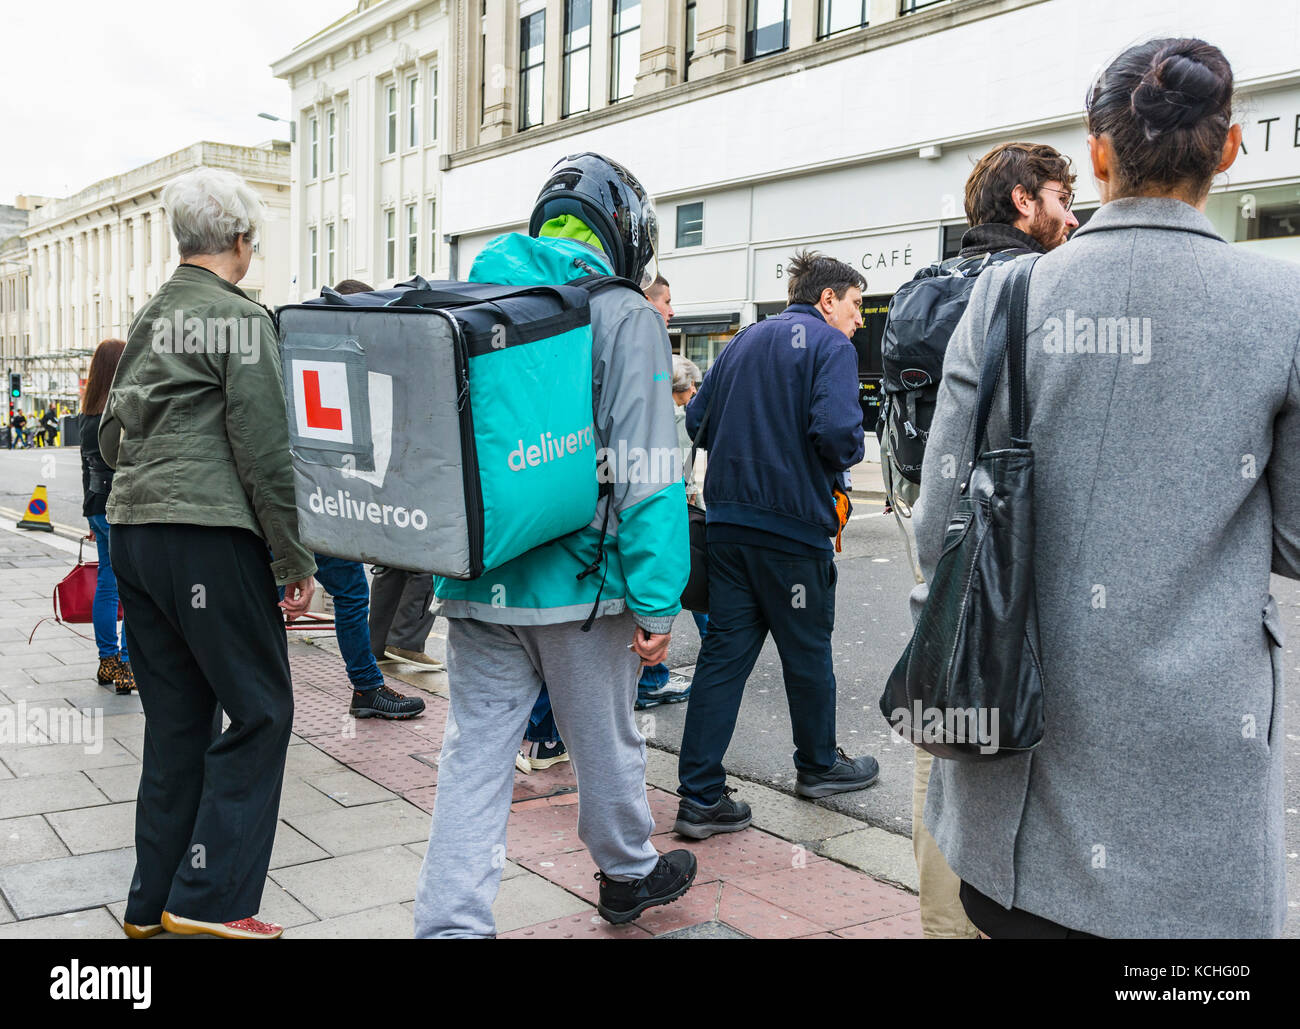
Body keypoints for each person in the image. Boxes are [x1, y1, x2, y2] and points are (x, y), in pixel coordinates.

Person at [916, 37, 1300, 939]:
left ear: (1098, 153)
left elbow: (940, 523)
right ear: (1231, 148)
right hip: (1193, 789)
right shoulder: (1281, 306)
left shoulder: (1006, 299)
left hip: (1017, 773)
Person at [415, 152, 695, 936]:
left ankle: (450, 924)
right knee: (604, 740)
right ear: (624, 231)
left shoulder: (482, 295)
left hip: (478, 576)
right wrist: (657, 599)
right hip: (582, 587)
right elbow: (646, 470)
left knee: (472, 759)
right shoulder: (624, 311)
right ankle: (628, 872)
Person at [100, 166, 317, 941]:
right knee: (263, 708)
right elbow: (263, 445)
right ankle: (209, 899)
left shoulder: (154, 314)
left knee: (178, 724)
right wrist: (293, 559)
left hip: (136, 533)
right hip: (206, 535)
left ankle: (148, 905)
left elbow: (110, 432)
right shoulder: (238, 316)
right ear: (239, 239)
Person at [901, 139, 1077, 940]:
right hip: (1022, 584)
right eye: (1061, 199)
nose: (1071, 218)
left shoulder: (925, 293)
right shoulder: (1038, 293)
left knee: (947, 767)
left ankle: (945, 923)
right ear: (1021, 203)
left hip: (947, 588)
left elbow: (924, 475)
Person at [673, 250, 878, 841]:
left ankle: (701, 795)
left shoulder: (741, 342)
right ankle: (817, 766)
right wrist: (845, 457)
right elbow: (839, 433)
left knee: (723, 659)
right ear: (826, 300)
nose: (859, 319)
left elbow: (698, 423)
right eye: (856, 304)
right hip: (792, 529)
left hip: (729, 525)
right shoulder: (830, 347)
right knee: (807, 652)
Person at [80, 339, 133, 695]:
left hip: (97, 507)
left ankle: (107, 660)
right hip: (122, 509)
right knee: (133, 588)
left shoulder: (85, 416)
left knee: (106, 583)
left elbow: (85, 470)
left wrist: (88, 515)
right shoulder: (121, 413)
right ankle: (128, 667)